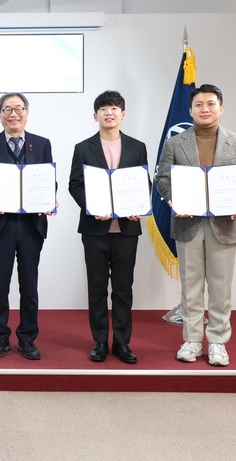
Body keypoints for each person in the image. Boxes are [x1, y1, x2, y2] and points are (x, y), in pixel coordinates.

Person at [155, 84, 236, 367]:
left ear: (221, 109)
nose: (205, 109)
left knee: (220, 288)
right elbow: (162, 178)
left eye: (210, 104)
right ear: (190, 110)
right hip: (187, 223)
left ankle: (217, 342)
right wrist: (173, 199)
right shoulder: (175, 143)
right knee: (190, 288)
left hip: (224, 225)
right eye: (199, 105)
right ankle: (191, 339)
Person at [68, 91, 149, 364]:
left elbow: (143, 183)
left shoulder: (137, 147)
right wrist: (92, 206)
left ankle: (122, 343)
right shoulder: (83, 148)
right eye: (103, 109)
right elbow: (75, 185)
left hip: (127, 230)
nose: (109, 113)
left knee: (123, 289)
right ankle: (100, 341)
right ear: (95, 116)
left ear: (122, 114)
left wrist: (139, 206)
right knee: (97, 288)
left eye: (114, 108)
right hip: (95, 230)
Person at [0, 92, 55, 360]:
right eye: (7, 109)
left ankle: (27, 338)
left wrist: (48, 198)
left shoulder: (42, 144)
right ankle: (0, 337)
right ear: (0, 115)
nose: (13, 114)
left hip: (32, 226)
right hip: (0, 225)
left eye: (18, 108)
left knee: (29, 286)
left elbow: (48, 179)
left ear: (27, 113)